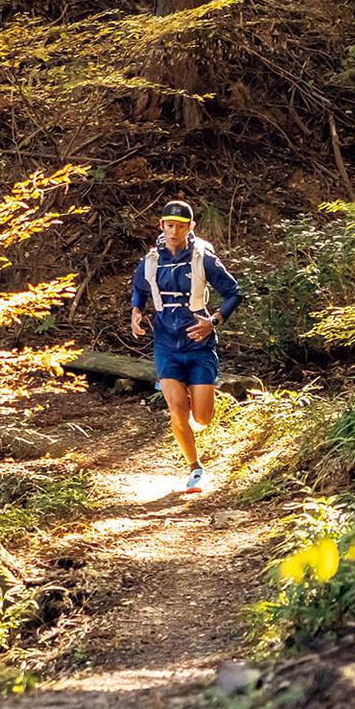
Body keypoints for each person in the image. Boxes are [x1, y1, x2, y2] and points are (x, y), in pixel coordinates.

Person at [130, 200, 240, 494]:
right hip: (166, 343)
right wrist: (136, 313)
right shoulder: (151, 260)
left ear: (190, 228)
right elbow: (139, 291)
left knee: (202, 417)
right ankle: (195, 468)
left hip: (199, 343)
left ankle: (195, 416)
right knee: (177, 410)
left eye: (180, 226)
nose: (174, 231)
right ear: (161, 225)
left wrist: (213, 321)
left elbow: (233, 293)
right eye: (169, 225)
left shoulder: (204, 258)